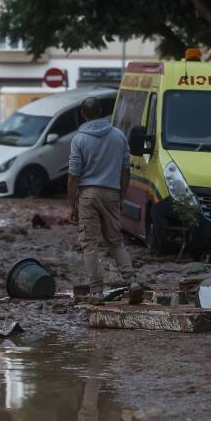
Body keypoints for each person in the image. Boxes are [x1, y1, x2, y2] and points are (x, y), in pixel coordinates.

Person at [68, 97, 141, 303]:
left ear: (83, 114)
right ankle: (132, 282)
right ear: (101, 112)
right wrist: (121, 196)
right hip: (111, 193)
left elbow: (73, 175)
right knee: (116, 242)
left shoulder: (79, 139)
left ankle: (97, 292)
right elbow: (126, 170)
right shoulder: (118, 136)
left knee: (89, 245)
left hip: (88, 195)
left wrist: (71, 204)